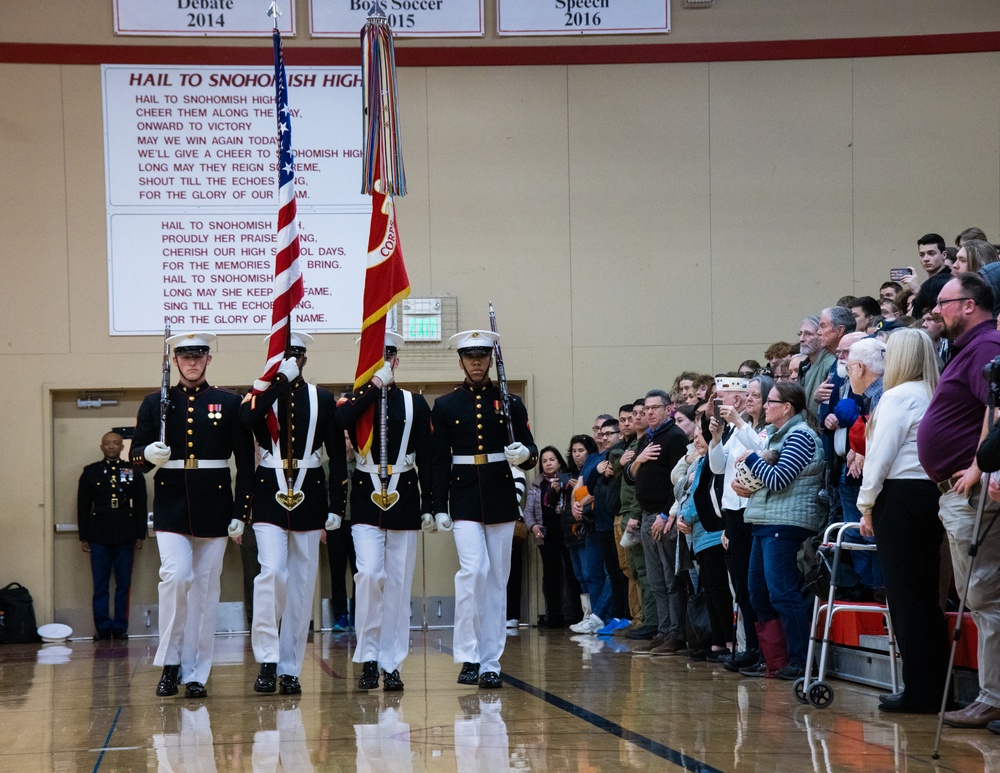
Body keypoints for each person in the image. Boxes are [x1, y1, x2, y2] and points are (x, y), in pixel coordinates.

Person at [131, 332, 254, 699]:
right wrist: (144, 455)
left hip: (215, 506)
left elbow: (246, 462)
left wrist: (240, 511)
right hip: (171, 506)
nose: (192, 362)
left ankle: (197, 672)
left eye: (198, 355)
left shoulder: (228, 403)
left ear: (208, 359)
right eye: (184, 356)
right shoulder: (156, 403)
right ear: (175, 361)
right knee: (175, 576)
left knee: (204, 590)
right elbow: (136, 455)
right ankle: (170, 663)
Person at [240, 332, 347, 696]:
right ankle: (267, 659)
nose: (294, 362)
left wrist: (336, 506)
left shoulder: (323, 398)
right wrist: (278, 380)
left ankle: (289, 667)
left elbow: (335, 455)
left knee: (302, 584)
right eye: (287, 356)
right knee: (271, 573)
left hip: (310, 491)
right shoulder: (261, 394)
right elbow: (245, 420)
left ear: (304, 359)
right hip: (269, 490)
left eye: (297, 357)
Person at [431, 329, 538, 689]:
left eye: (482, 357)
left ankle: (491, 661)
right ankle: (469, 655)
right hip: (462, 497)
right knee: (472, 572)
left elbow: (531, 449)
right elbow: (437, 460)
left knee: (496, 582)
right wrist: (437, 505)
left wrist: (524, 455)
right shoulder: (446, 405)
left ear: (490, 360)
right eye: (469, 357)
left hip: (499, 495)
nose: (476, 363)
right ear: (460, 361)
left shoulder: (510, 401)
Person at [917, 272, 1000, 729]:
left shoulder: (986, 348)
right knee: (984, 595)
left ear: (969, 305)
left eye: (944, 302)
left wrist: (980, 465)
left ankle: (992, 696)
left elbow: (999, 409)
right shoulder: (971, 349)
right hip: (959, 494)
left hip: (973, 495)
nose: (936, 310)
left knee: (986, 594)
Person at [856, 329, 946, 713]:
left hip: (901, 497)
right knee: (927, 598)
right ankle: (937, 689)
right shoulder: (934, 393)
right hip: (932, 495)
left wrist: (866, 504)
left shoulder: (897, 396)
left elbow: (879, 456)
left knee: (906, 598)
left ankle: (919, 691)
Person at [337, 331, 433, 692]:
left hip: (404, 497)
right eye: (377, 357)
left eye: (389, 356)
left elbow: (426, 456)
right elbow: (339, 419)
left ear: (397, 359)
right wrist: (372, 385)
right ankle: (368, 656)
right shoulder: (354, 400)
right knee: (370, 576)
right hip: (365, 500)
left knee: (398, 587)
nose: (385, 362)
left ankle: (391, 662)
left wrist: (431, 505)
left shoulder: (414, 403)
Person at [737, 382, 826, 680]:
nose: (764, 406)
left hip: (787, 523)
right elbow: (766, 480)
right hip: (765, 521)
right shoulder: (779, 436)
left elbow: (778, 480)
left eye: (770, 401)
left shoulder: (800, 436)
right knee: (758, 594)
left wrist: (751, 457)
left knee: (782, 593)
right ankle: (773, 660)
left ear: (786, 406)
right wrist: (747, 482)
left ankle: (800, 661)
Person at [708, 374, 771, 672]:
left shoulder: (764, 427)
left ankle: (765, 651)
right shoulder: (736, 429)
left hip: (753, 508)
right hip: (732, 509)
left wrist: (738, 422)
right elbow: (719, 466)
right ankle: (752, 648)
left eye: (756, 395)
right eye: (750, 394)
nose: (750, 400)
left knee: (756, 582)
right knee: (743, 584)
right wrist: (717, 438)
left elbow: (760, 449)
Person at [624, 390, 691, 655]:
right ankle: (663, 630)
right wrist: (638, 461)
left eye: (655, 408)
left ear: (668, 409)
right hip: (646, 515)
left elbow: (679, 482)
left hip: (665, 517)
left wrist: (666, 514)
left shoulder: (674, 437)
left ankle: (676, 633)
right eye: (645, 409)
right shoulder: (647, 439)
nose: (649, 413)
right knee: (655, 580)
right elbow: (630, 478)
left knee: (670, 578)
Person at [77, 431, 147, 641]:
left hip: (125, 533)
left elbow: (141, 504)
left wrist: (139, 533)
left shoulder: (133, 471)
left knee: (123, 585)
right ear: (101, 447)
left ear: (121, 447)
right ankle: (103, 627)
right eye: (107, 443)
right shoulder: (91, 472)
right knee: (100, 585)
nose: (111, 446)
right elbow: (82, 506)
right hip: (98, 534)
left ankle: (119, 627)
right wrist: (84, 536)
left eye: (115, 443)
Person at [524, 447, 574, 629]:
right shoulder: (537, 484)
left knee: (571, 573)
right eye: (544, 461)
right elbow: (528, 511)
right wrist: (533, 526)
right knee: (550, 575)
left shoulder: (567, 478)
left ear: (559, 461)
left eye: (552, 459)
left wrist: (559, 488)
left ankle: (573, 615)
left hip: (567, 532)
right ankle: (553, 616)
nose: (548, 463)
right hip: (546, 534)